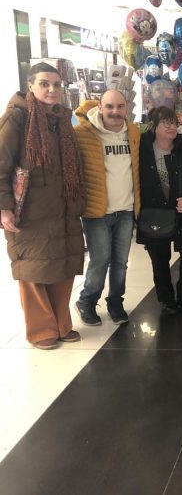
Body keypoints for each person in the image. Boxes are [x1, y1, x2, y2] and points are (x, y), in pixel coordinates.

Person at [0, 62, 84, 350]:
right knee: (34, 269)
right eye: (44, 84)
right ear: (30, 86)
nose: (52, 89)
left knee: (63, 266)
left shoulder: (61, 119)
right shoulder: (17, 117)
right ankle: (40, 330)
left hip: (62, 206)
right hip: (31, 211)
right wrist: (4, 207)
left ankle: (61, 324)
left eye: (57, 84)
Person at [73, 89, 140, 326]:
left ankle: (115, 302)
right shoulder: (83, 133)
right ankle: (87, 301)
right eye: (109, 106)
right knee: (100, 260)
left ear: (127, 107)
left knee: (120, 262)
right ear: (99, 107)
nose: (115, 111)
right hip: (96, 211)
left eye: (120, 106)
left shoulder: (133, 132)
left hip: (126, 209)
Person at [136, 106, 182, 314]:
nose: (171, 127)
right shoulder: (141, 149)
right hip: (154, 213)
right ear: (153, 126)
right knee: (159, 259)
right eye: (165, 123)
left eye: (174, 123)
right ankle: (167, 299)